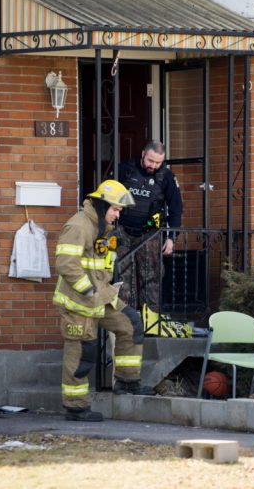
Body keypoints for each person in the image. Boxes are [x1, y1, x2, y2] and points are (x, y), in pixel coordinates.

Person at [53, 179, 155, 422]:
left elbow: (100, 265)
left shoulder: (101, 227)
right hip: (79, 302)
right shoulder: (78, 226)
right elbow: (66, 264)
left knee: (130, 324)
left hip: (100, 297)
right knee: (82, 352)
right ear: (102, 206)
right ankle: (76, 407)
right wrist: (88, 291)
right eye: (115, 210)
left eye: (119, 211)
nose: (117, 215)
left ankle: (128, 381)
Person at [115, 140, 183, 335]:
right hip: (123, 232)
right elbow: (108, 197)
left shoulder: (167, 177)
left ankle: (151, 326)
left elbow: (176, 209)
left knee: (151, 280)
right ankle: (126, 325)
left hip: (150, 233)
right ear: (143, 153)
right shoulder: (125, 170)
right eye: (150, 160)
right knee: (123, 281)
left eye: (158, 162)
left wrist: (172, 237)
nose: (153, 166)